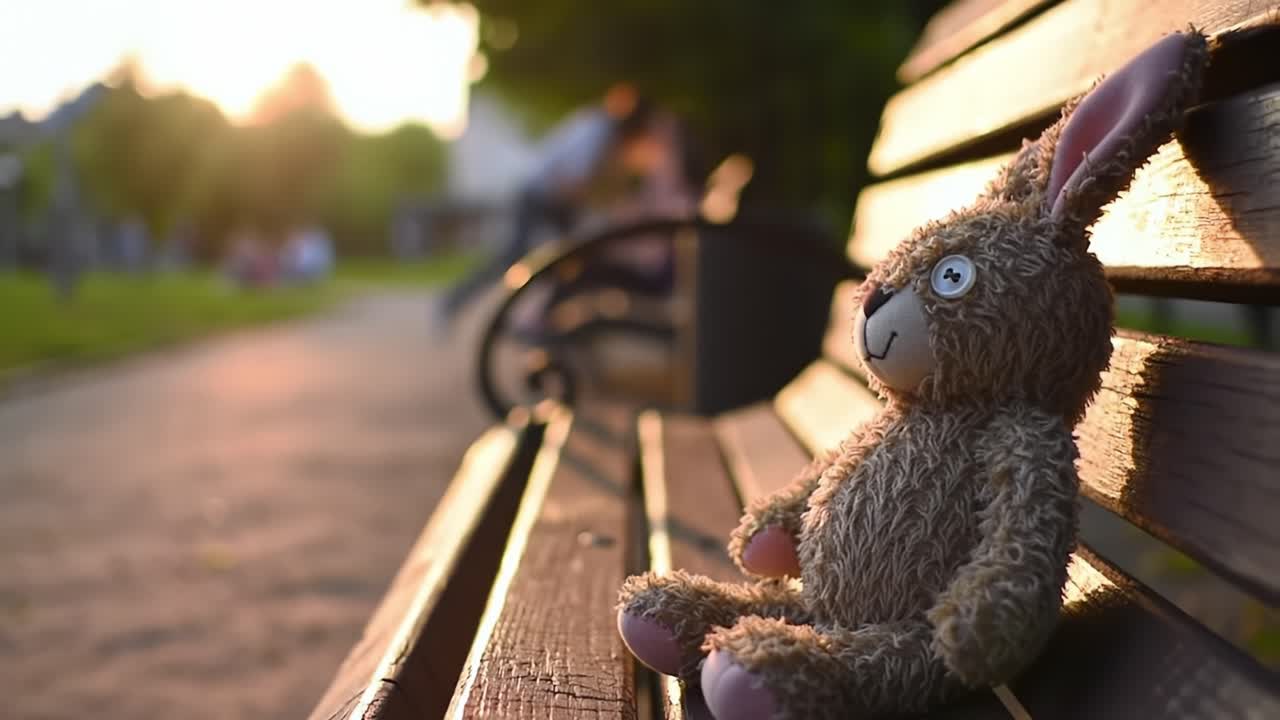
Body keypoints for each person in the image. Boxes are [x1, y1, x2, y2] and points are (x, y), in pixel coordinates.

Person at [435, 84, 667, 331]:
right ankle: (464, 303)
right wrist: (602, 209)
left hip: (550, 200)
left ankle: (542, 317)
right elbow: (570, 183)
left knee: (570, 258)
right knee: (525, 257)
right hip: (540, 197)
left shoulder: (598, 126)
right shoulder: (599, 132)